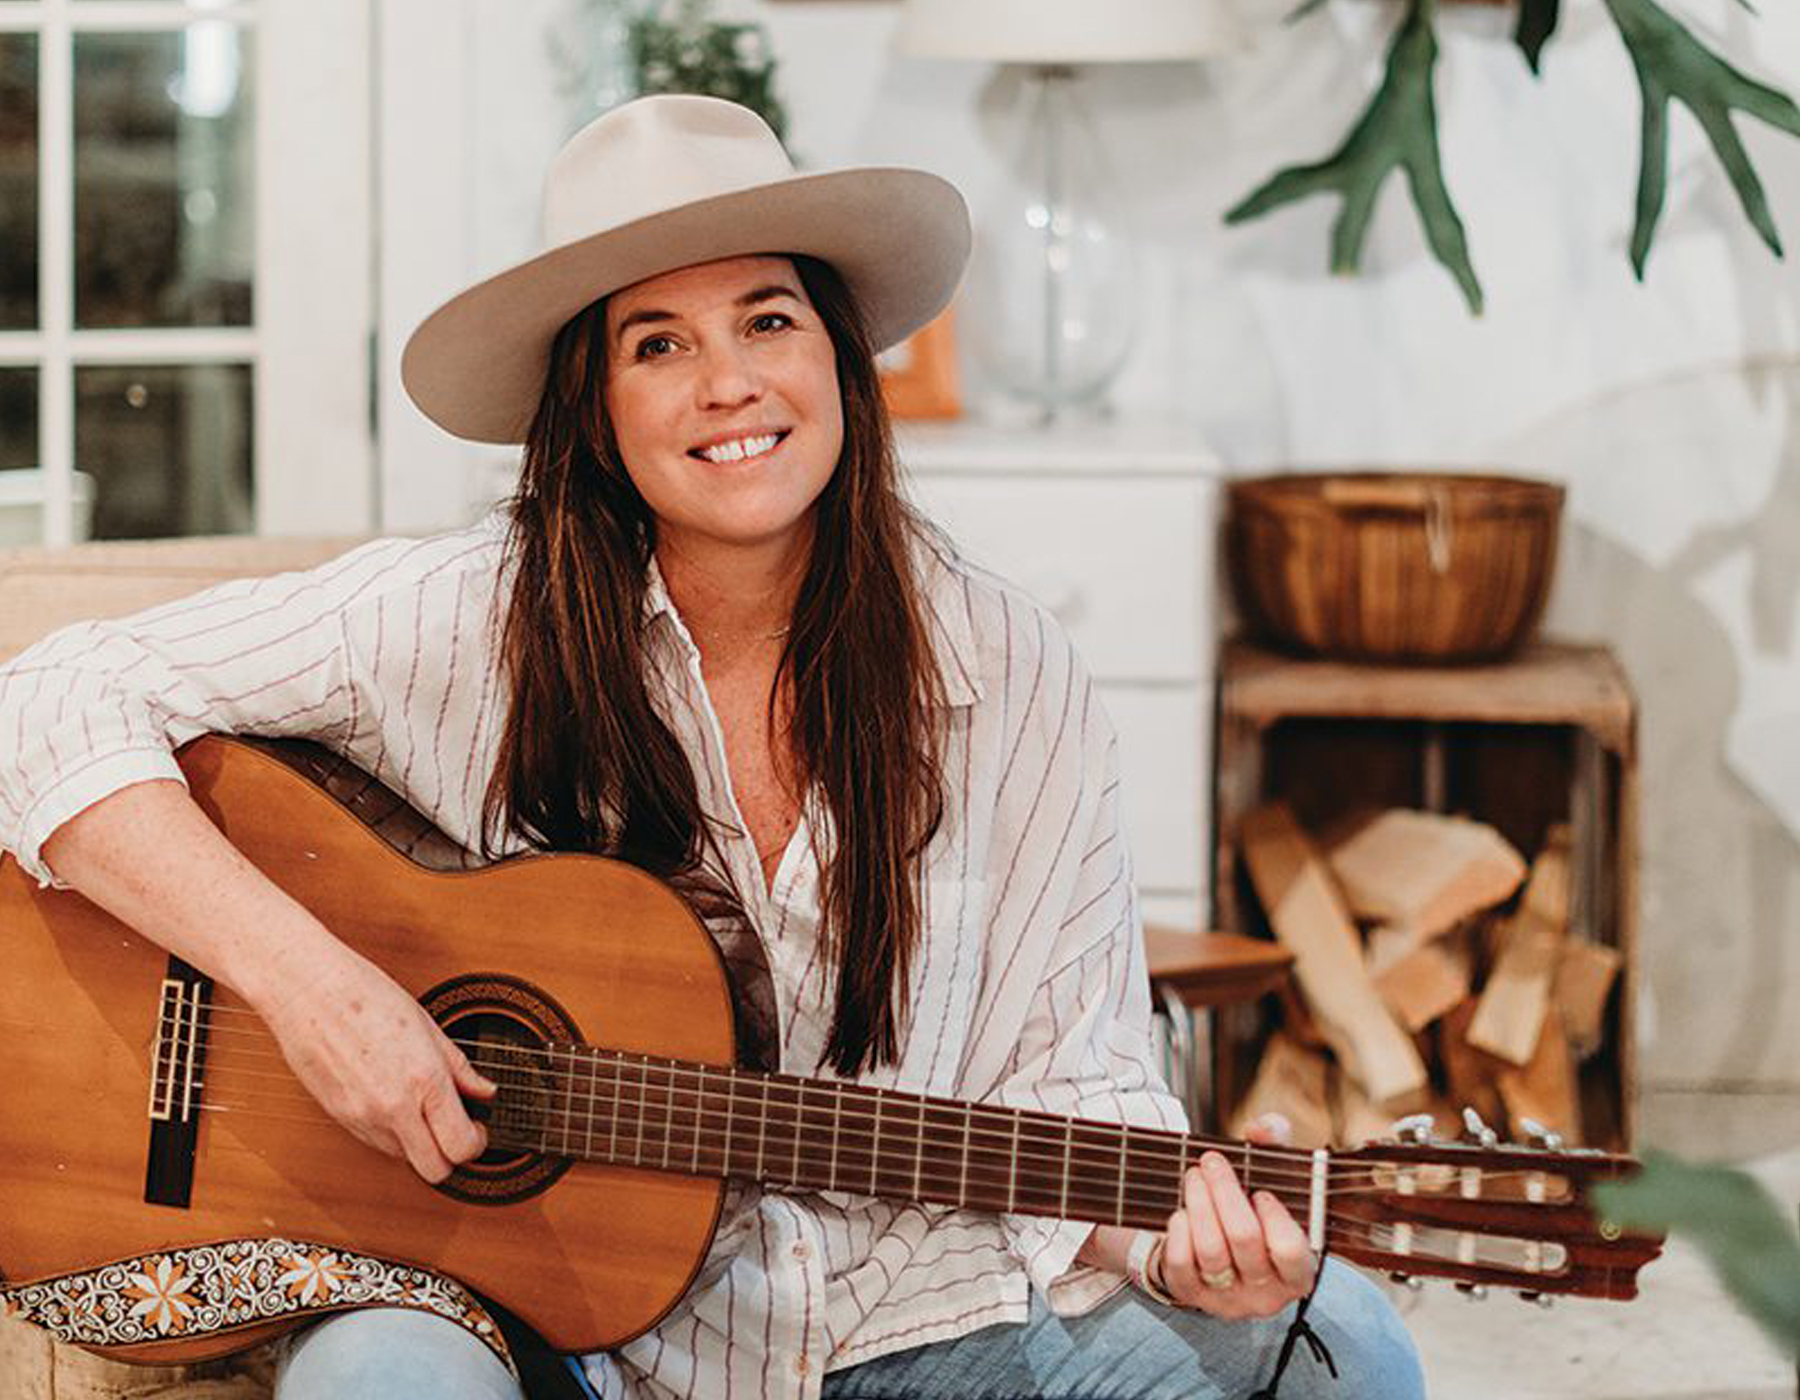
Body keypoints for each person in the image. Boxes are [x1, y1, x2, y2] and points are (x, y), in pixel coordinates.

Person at [0, 95, 1423, 1400]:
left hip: (910, 1319)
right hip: (551, 1327)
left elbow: (1073, 1085)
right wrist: (319, 992)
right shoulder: (464, 614)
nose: (728, 383)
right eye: (658, 344)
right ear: (594, 408)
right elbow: (48, 697)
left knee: (1338, 1338)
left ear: (843, 364)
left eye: (768, 320)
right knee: (380, 1382)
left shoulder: (1004, 668)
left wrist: (1170, 1244)